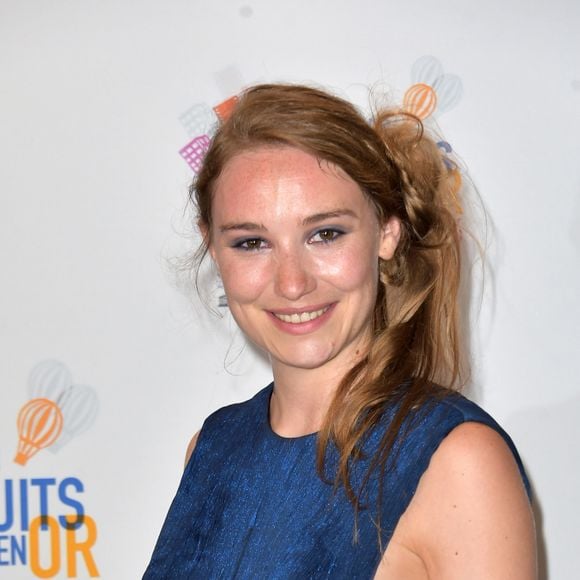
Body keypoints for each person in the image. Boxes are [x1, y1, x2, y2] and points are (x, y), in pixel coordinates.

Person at [143, 84, 536, 579]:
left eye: (325, 234)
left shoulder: (458, 462)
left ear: (387, 232)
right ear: (214, 249)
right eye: (251, 242)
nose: (292, 282)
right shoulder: (212, 447)